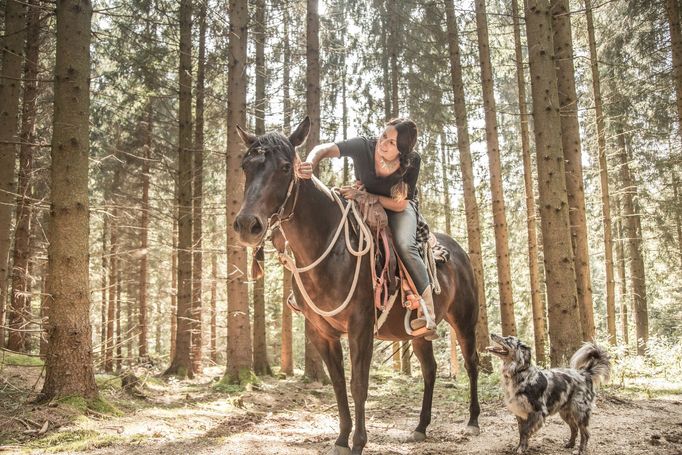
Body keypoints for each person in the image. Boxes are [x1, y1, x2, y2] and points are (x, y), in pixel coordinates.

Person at [296, 118, 437, 338]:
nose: (383, 144)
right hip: (362, 201)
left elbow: (400, 203)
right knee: (334, 229)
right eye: (384, 136)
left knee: (404, 244)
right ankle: (309, 295)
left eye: (392, 143)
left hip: (397, 208)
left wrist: (365, 195)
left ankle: (427, 310)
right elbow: (324, 148)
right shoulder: (363, 146)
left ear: (402, 150)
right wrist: (310, 163)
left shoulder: (412, 162)